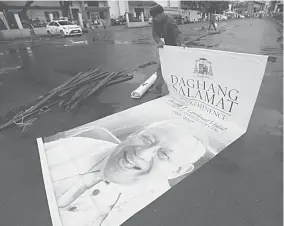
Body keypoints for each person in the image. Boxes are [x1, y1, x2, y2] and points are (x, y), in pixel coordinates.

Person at [44, 120, 208, 226]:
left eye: (163, 155)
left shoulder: (164, 216)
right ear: (132, 135)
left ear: (177, 171)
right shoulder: (71, 146)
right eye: (146, 139)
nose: (142, 153)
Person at [148, 3, 186, 96]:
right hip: (164, 46)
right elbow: (154, 33)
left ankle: (180, 89)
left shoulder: (170, 21)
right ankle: (158, 88)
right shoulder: (154, 20)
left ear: (162, 13)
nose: (155, 18)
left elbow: (177, 33)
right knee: (160, 68)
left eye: (156, 16)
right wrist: (158, 41)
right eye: (154, 17)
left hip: (173, 45)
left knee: (175, 68)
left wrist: (181, 42)